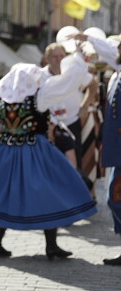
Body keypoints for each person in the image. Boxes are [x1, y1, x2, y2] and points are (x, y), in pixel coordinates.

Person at [0, 61, 97, 260]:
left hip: (5, 152)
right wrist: (78, 60)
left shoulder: (1, 103)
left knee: (4, 196)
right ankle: (51, 245)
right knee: (49, 192)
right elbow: (66, 85)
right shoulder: (38, 99)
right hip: (36, 153)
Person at [80, 32, 121, 265]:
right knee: (114, 199)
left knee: (116, 200)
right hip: (116, 149)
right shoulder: (116, 74)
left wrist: (90, 39)